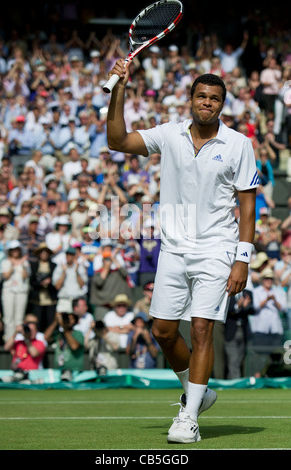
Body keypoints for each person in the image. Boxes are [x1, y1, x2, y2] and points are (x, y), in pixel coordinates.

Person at [106, 64, 258, 444]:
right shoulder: (169, 133)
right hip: (173, 249)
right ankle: (199, 392)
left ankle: (189, 417)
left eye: (214, 99)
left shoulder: (239, 144)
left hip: (217, 249)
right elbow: (118, 141)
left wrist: (243, 257)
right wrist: (118, 90)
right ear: (190, 100)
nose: (207, 103)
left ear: (222, 105)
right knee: (162, 330)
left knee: (202, 328)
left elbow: (248, 206)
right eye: (201, 96)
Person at [0, 313, 47, 383]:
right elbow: (6, 347)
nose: (31, 332)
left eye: (33, 330)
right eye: (29, 330)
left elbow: (34, 353)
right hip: (16, 374)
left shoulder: (40, 342)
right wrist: (16, 332)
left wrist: (27, 339)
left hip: (32, 376)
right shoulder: (19, 341)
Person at [0, 240, 30, 341]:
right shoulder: (5, 262)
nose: (15, 252)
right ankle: (9, 340)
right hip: (8, 292)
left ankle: (18, 340)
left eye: (17, 249)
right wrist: (13, 266)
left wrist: (21, 264)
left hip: (21, 292)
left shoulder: (25, 262)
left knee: (19, 318)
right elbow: (5, 276)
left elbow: (25, 276)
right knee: (8, 318)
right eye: (13, 250)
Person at [44, 309, 84, 381]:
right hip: (58, 371)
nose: (68, 320)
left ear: (75, 321)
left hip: (74, 373)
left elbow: (74, 347)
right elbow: (45, 337)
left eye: (71, 319)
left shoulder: (78, 333)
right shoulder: (59, 334)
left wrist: (64, 327)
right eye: (66, 318)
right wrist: (56, 321)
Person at [28, 242, 58, 332]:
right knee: (38, 320)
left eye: (46, 253)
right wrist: (41, 283)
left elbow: (56, 280)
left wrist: (50, 282)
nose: (44, 255)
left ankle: (50, 339)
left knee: (50, 320)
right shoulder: (34, 266)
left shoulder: (53, 266)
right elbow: (31, 281)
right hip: (38, 297)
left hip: (50, 298)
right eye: (42, 253)